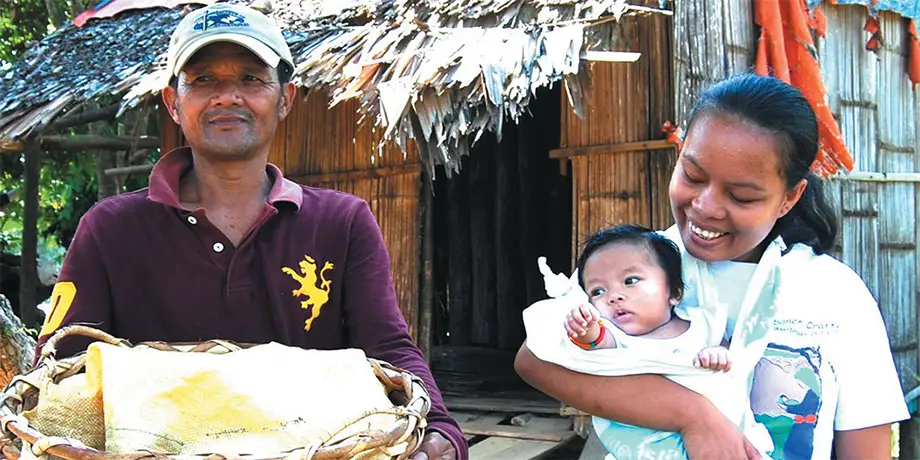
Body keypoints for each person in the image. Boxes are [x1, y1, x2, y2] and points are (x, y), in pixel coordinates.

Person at [34, 4, 466, 459]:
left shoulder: (342, 222)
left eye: (250, 79)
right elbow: (63, 368)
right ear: (173, 103)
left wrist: (440, 428)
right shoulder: (110, 229)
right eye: (203, 80)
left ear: (285, 98)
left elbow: (387, 345)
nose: (227, 96)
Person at [515, 73, 909, 460]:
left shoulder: (834, 292)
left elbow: (866, 444)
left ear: (789, 198)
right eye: (693, 175)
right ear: (680, 153)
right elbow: (535, 359)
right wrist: (695, 417)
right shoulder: (634, 267)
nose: (704, 206)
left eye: (740, 196)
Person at [564, 225, 730, 373]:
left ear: (674, 293)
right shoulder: (617, 337)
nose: (613, 297)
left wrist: (719, 353)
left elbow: (731, 352)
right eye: (598, 291)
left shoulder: (702, 322)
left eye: (630, 281)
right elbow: (595, 341)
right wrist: (584, 327)